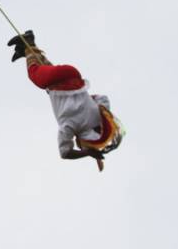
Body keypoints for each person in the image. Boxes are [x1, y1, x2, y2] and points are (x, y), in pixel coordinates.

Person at [8, 30, 122, 170]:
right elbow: (65, 153)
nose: (76, 142)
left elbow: (103, 98)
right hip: (55, 81)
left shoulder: (98, 116)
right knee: (36, 76)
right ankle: (28, 43)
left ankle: (25, 50)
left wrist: (86, 99)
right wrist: (87, 153)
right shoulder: (71, 126)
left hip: (72, 74)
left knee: (46, 73)